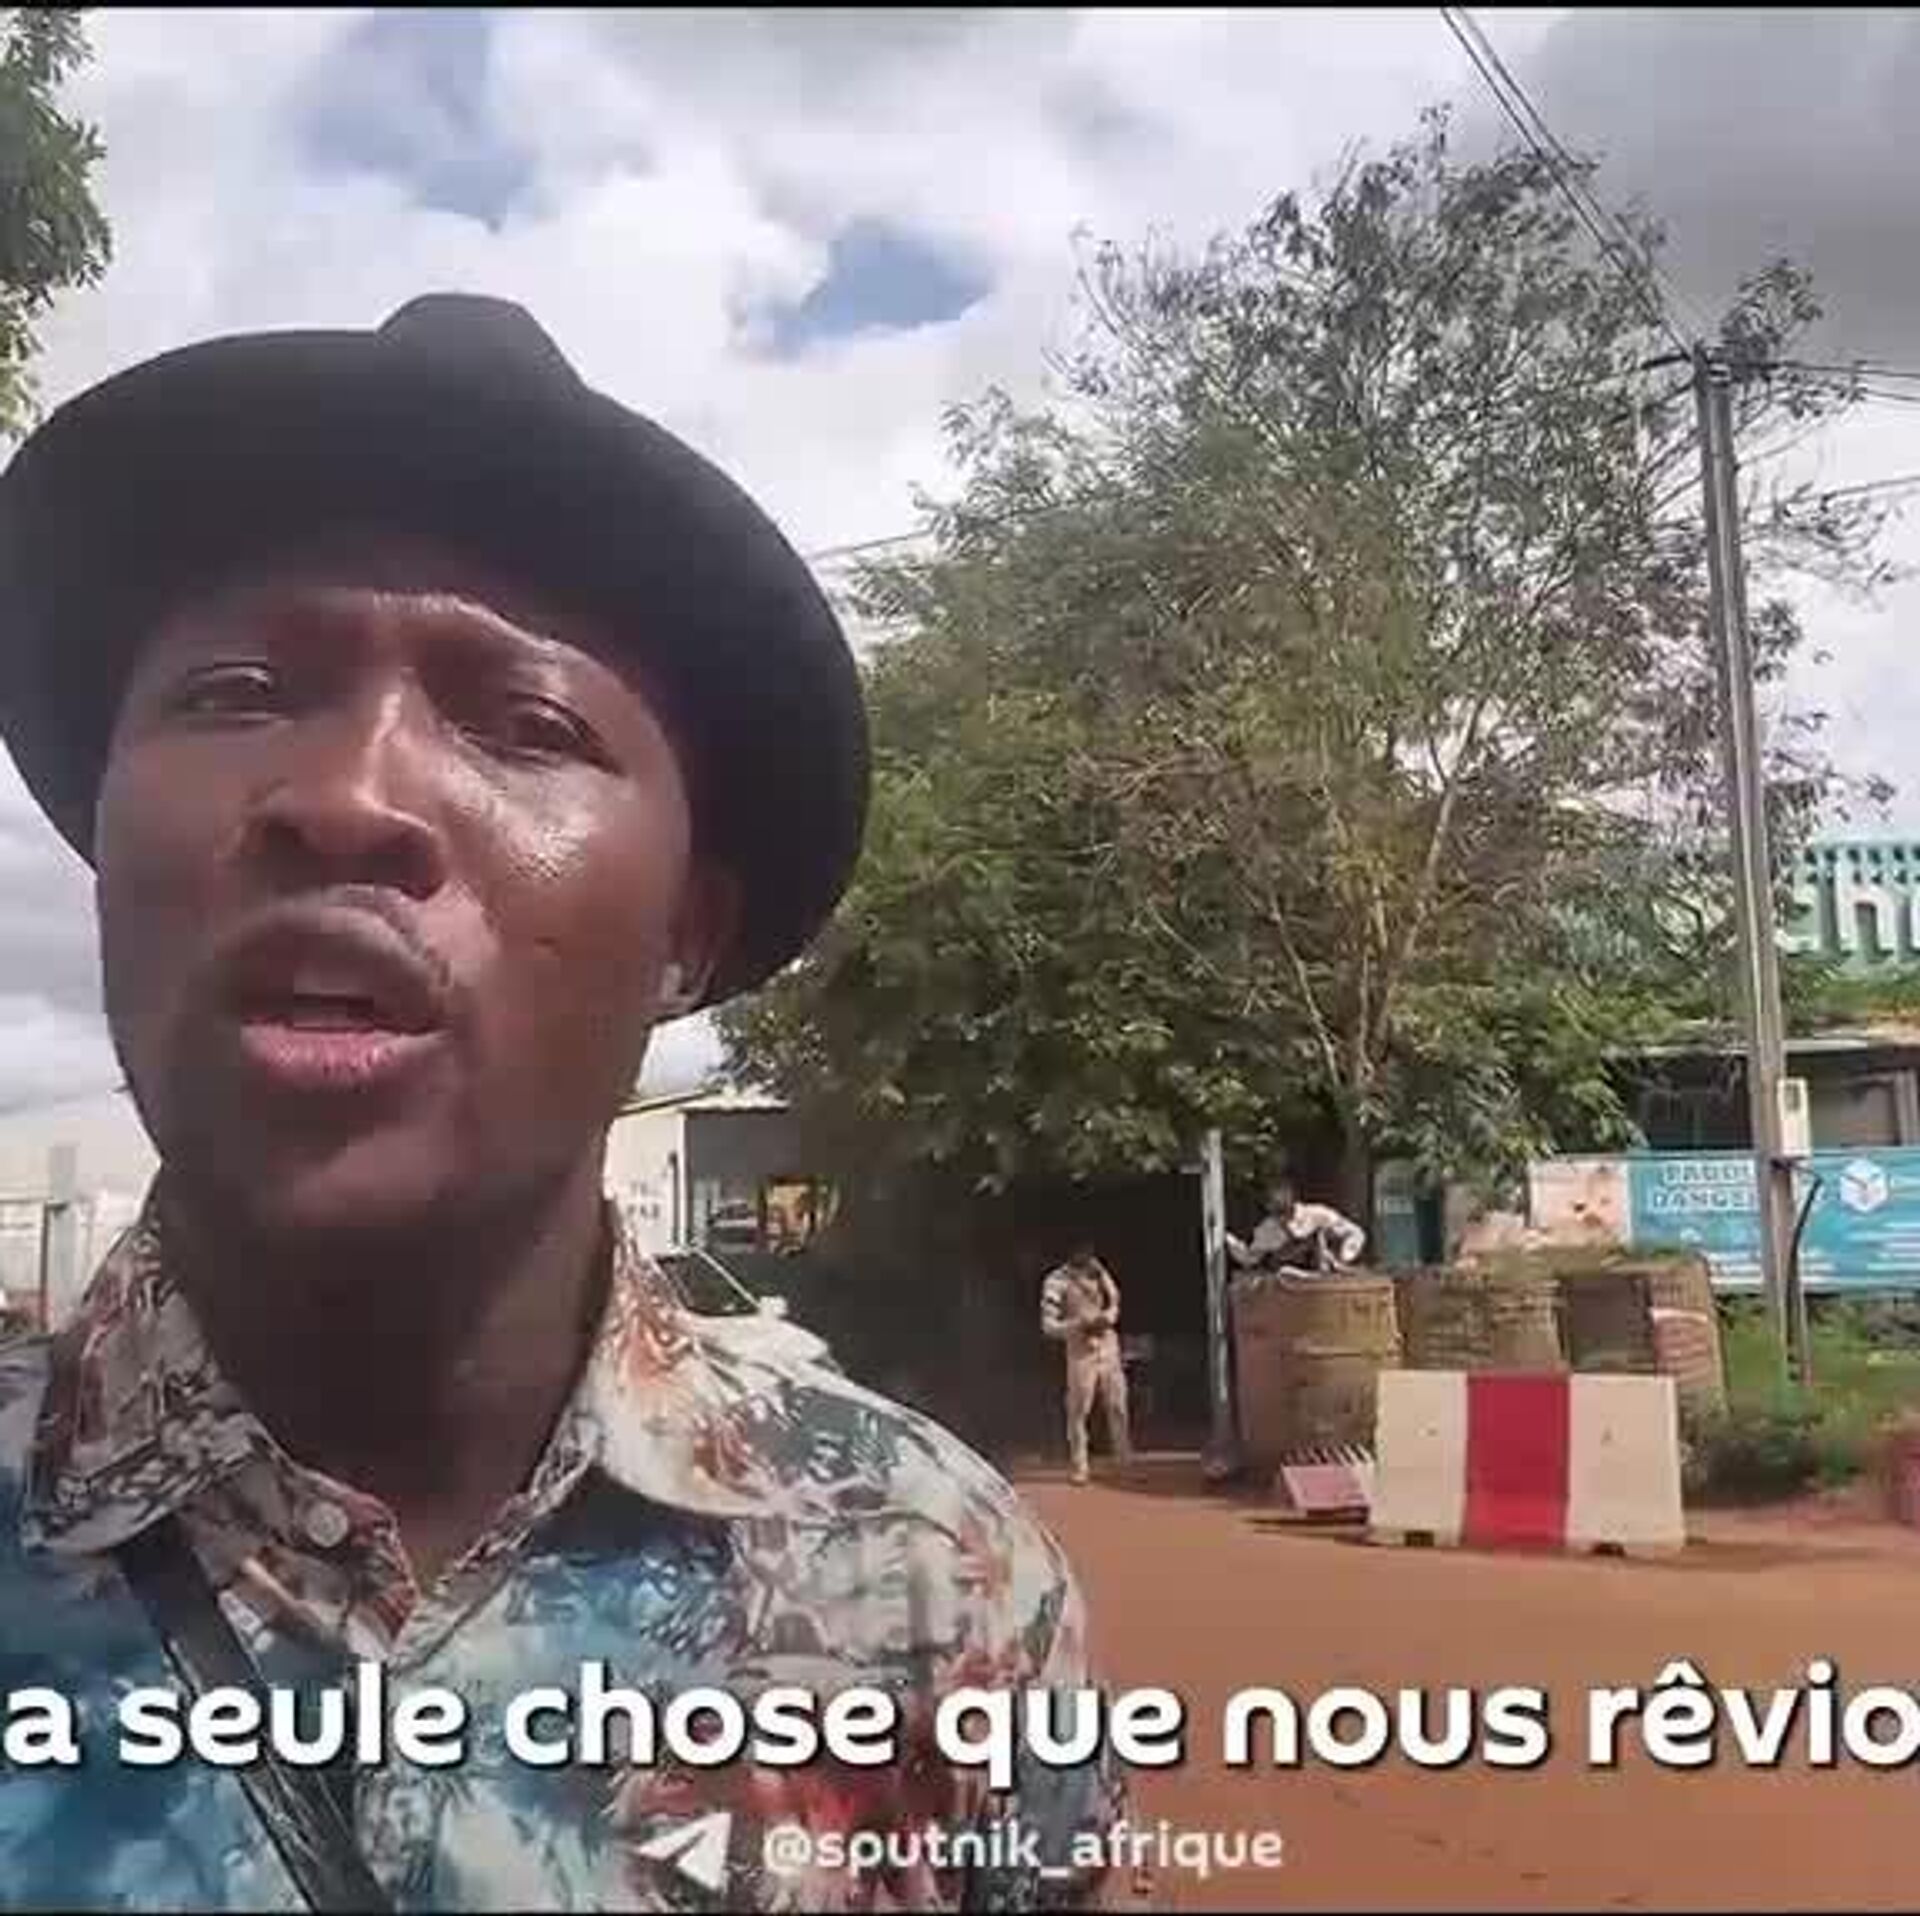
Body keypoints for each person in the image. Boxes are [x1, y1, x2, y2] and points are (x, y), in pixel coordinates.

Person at [0, 296, 1127, 1911]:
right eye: (238, 691)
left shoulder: (938, 1589)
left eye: (527, 724)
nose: (347, 797)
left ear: (685, 936)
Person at [1040, 1245, 1132, 1485]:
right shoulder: (1056, 1281)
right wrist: (1078, 1325)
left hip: (1108, 1345)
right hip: (1080, 1350)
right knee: (1079, 1409)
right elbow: (1048, 1325)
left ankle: (1124, 1461)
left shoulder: (1099, 1271)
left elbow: (1115, 1300)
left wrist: (1109, 1316)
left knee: (1117, 1404)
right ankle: (1080, 1464)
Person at [1227, 1175, 1367, 1274]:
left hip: (1325, 1283)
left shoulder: (1319, 1215)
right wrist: (1230, 1242)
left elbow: (1355, 1233)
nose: (1277, 1199)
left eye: (1281, 1194)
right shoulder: (1266, 1230)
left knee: (1318, 1236)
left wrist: (1343, 1257)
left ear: (1291, 1195)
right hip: (1288, 1288)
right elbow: (1249, 1258)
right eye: (1272, 1199)